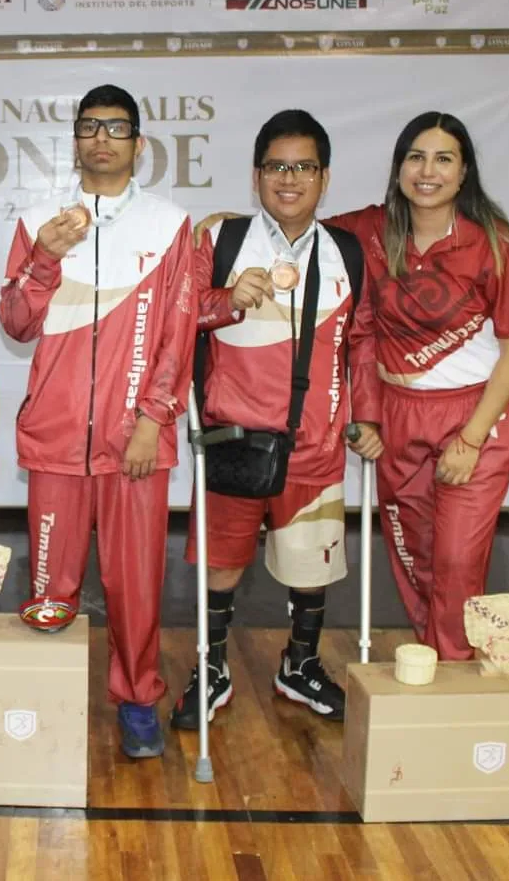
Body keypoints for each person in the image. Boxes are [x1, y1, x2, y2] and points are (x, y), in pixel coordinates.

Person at [0, 84, 196, 759]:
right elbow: (16, 323)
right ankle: (48, 695)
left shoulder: (171, 225)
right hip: (56, 439)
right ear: (75, 140)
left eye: (116, 127)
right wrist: (43, 258)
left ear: (139, 145)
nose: (102, 138)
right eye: (89, 126)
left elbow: (178, 332)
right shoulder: (39, 221)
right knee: (52, 580)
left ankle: (139, 698)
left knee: (134, 584)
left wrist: (152, 419)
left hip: (136, 442)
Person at [171, 110, 382, 731]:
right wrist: (222, 301)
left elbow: (363, 342)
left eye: (303, 167)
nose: (289, 179)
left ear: (324, 177)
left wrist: (366, 415)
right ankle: (210, 667)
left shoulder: (347, 250)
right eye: (276, 166)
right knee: (223, 564)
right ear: (256, 174)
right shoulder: (222, 243)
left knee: (310, 568)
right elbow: (176, 322)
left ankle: (300, 663)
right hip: (232, 441)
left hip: (315, 446)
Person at [326, 112, 509, 660]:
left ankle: (454, 681)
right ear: (398, 168)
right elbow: (299, 228)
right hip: (399, 414)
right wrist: (225, 223)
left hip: (476, 415)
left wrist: (472, 439)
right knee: (414, 557)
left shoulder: (495, 243)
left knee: (458, 559)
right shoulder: (369, 230)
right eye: (416, 157)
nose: (427, 170)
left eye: (443, 159)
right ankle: (439, 663)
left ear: (464, 174)